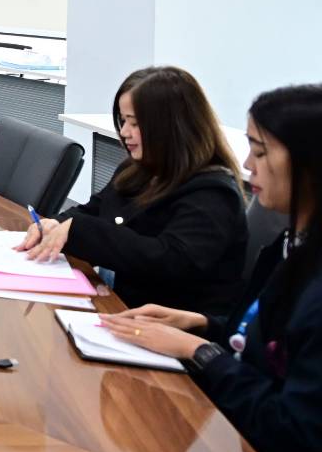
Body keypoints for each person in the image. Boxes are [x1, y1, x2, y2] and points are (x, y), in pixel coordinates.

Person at [99, 84, 322, 452]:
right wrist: (200, 324)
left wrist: (200, 352)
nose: (248, 164)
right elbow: (258, 343)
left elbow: (293, 434)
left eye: (261, 151)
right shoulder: (290, 243)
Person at [17, 66, 247, 314]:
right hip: (120, 306)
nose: (125, 132)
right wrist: (55, 224)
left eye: (135, 123)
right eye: (123, 121)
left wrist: (78, 230)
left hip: (163, 325)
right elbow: (92, 209)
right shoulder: (138, 169)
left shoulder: (212, 192)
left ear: (172, 126)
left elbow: (168, 261)